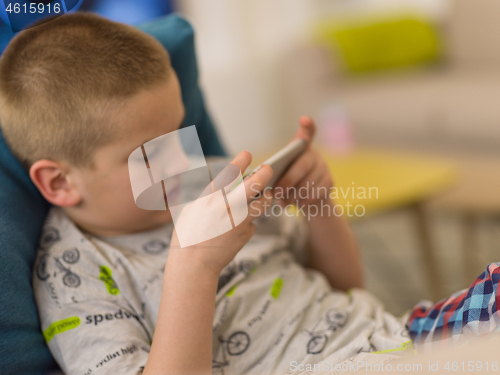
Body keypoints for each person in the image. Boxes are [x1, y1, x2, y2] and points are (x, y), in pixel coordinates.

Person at [0, 12, 497, 375]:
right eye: (152, 153)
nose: (181, 161)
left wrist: (318, 205)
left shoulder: (211, 183)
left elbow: (346, 287)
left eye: (180, 132)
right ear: (59, 182)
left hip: (398, 337)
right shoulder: (75, 273)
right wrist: (193, 266)